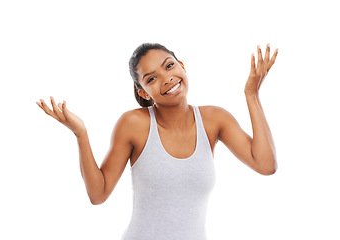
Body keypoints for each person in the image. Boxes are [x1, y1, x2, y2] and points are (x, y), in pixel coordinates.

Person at [36, 43, 278, 240]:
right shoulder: (133, 124)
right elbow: (98, 194)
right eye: (151, 79)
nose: (167, 79)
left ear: (182, 66)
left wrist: (252, 95)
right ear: (143, 92)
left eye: (169, 66)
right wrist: (81, 134)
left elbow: (266, 165)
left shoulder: (215, 119)